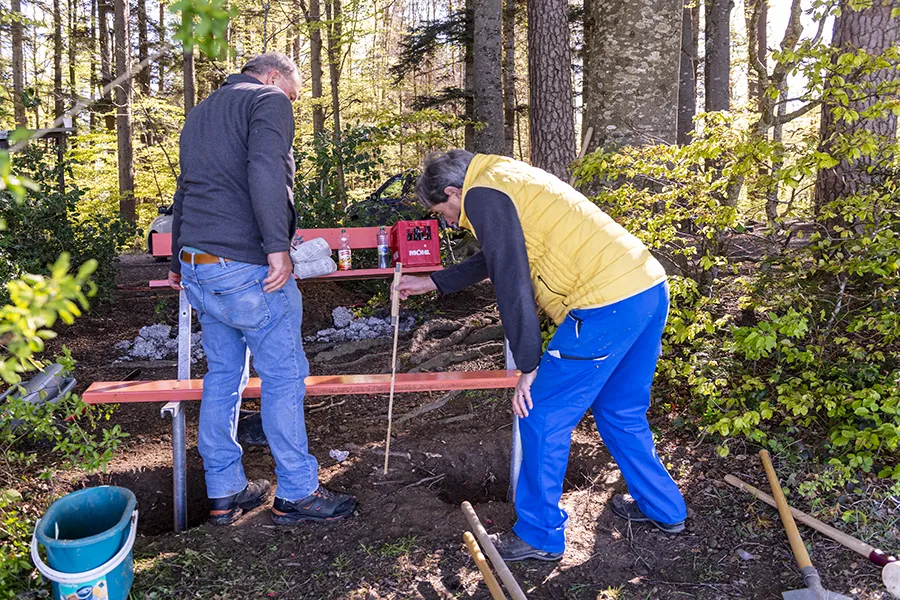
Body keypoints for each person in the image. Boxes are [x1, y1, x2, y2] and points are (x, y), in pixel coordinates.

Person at [395, 150, 687, 562]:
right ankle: (664, 508)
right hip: (645, 286)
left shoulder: (482, 195)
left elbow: (511, 280)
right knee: (621, 410)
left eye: (443, 212)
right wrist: (436, 282)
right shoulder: (506, 175)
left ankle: (538, 535)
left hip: (605, 304)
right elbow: (499, 255)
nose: (447, 222)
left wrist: (529, 364)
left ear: (452, 191)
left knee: (540, 412)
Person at [167, 52, 356, 526]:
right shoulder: (267, 99)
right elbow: (268, 171)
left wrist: (176, 259)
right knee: (284, 376)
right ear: (274, 77)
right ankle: (298, 491)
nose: (290, 101)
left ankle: (225, 491)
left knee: (223, 377)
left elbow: (185, 190)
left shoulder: (203, 110)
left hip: (199, 266)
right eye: (293, 91)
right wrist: (278, 248)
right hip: (246, 266)